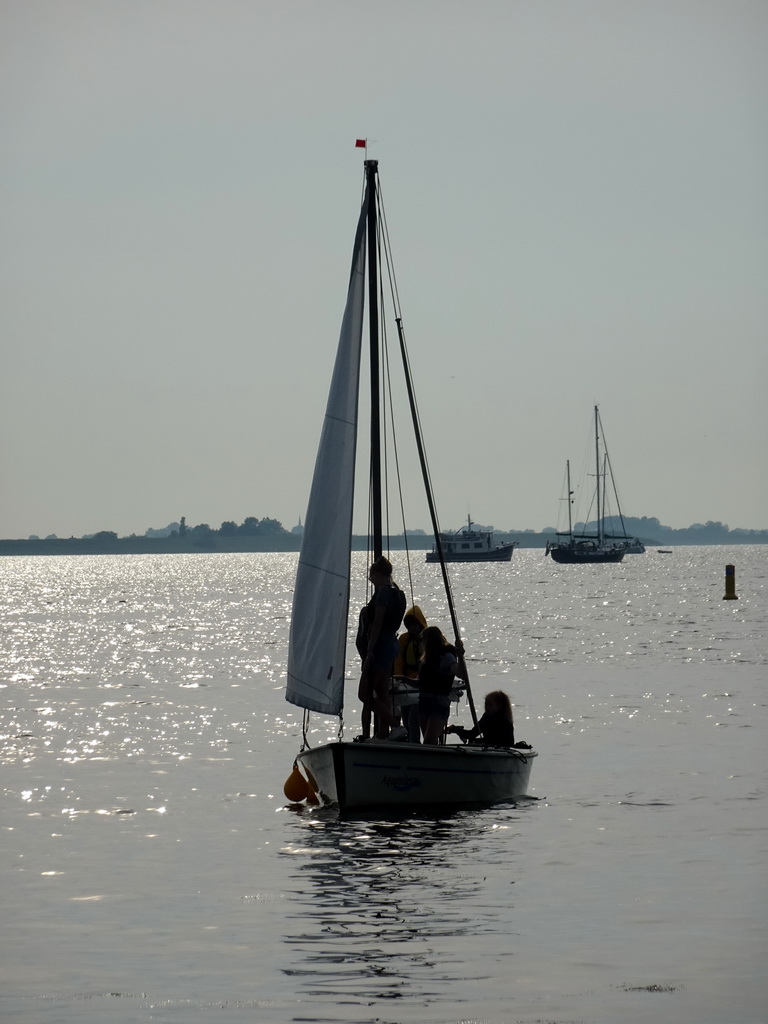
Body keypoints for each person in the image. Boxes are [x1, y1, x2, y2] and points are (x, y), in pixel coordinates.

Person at [357, 556, 406, 740]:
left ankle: (396, 726)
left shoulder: (384, 592)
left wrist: (370, 649)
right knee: (382, 692)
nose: (371, 580)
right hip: (391, 645)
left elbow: (377, 622)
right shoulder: (399, 593)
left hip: (380, 645)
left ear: (378, 574)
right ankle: (384, 733)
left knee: (365, 694)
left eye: (372, 576)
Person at [417, 625, 467, 745]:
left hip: (439, 703)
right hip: (424, 702)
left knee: (429, 741)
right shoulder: (426, 660)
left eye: (423, 640)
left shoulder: (446, 656)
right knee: (428, 741)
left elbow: (460, 673)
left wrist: (460, 656)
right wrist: (403, 679)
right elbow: (421, 683)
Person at [393, 605, 428, 741]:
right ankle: (409, 743)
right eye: (410, 625)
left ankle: (415, 743)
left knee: (414, 719)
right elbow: (398, 661)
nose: (413, 628)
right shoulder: (404, 639)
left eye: (416, 624)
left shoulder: (427, 638)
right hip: (405, 684)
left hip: (419, 686)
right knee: (406, 718)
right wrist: (397, 681)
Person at [447, 690, 515, 747]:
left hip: (500, 752)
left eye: (490, 704)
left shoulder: (504, 722)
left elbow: (507, 743)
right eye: (486, 704)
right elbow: (472, 734)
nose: (486, 707)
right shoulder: (486, 717)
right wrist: (455, 729)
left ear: (499, 706)